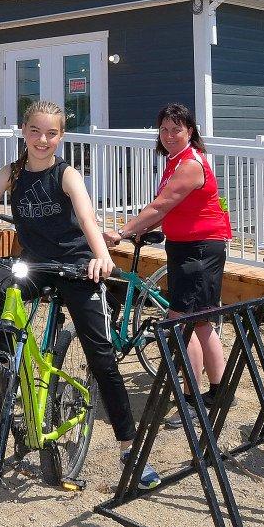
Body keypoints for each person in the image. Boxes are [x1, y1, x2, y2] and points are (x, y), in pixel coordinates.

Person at [0, 99, 160, 489]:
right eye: (35, 131)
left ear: (61, 137)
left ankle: (128, 447)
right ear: (23, 130)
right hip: (33, 263)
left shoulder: (67, 175)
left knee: (101, 357)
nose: (42, 139)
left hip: (76, 264)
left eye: (51, 133)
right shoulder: (12, 173)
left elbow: (87, 218)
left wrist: (102, 258)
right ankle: (3, 367)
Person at [105, 102, 231, 410]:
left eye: (177, 129)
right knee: (199, 321)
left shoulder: (190, 164)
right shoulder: (176, 161)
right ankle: (215, 391)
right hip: (188, 246)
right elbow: (170, 208)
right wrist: (140, 228)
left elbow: (161, 205)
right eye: (164, 129)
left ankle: (194, 396)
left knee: (184, 323)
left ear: (190, 131)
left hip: (199, 249)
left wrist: (122, 232)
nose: (169, 135)